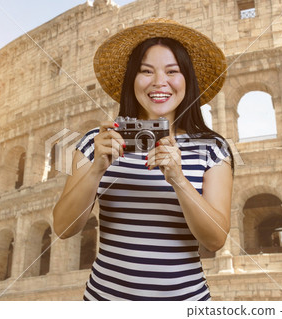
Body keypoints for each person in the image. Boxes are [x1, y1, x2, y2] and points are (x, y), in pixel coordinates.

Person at [53, 18, 234, 301]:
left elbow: (215, 239)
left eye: (172, 71)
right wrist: (95, 171)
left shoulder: (213, 148)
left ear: (187, 79)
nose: (159, 82)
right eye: (146, 71)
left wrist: (178, 179)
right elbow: (64, 228)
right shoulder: (95, 141)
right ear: (132, 80)